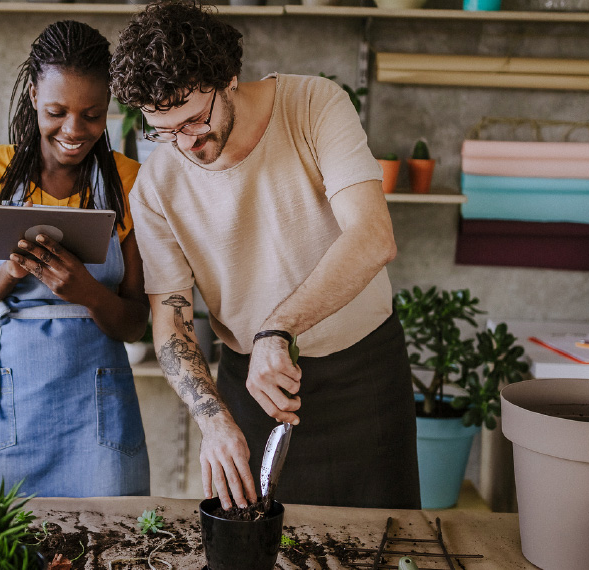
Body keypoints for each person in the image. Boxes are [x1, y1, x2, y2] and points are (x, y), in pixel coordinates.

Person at [109, 0, 419, 510]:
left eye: (192, 122)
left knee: (382, 543)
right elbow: (172, 321)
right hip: (251, 392)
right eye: (161, 131)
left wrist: (279, 328)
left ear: (228, 76)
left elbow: (372, 236)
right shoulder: (155, 187)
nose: (184, 145)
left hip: (365, 379)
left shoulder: (315, 105)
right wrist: (213, 419)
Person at [0, 20, 150, 498]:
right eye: (57, 111)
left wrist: (87, 292)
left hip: (94, 417)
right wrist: (9, 274)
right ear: (33, 95)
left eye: (93, 115)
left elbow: (135, 322)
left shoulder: (129, 182)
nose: (74, 130)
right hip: (4, 415)